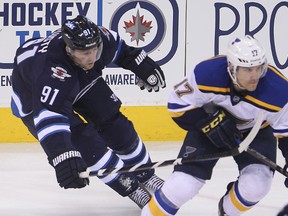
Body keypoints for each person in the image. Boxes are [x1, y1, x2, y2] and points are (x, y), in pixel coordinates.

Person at [10, 15, 166, 209]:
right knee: (85, 144)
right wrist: (62, 155)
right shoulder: (51, 69)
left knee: (115, 124)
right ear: (69, 49)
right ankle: (131, 188)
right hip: (34, 98)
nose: (92, 57)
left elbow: (121, 49)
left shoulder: (98, 39)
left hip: (78, 76)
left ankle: (146, 173)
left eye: (94, 50)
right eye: (84, 52)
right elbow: (49, 115)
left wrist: (142, 64)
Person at [141, 35, 288, 215]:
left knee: (257, 185)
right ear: (232, 68)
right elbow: (177, 106)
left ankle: (226, 211)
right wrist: (207, 122)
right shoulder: (207, 73)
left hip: (256, 131)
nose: (255, 76)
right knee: (182, 186)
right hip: (208, 127)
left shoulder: (279, 90)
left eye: (259, 68)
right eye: (248, 69)